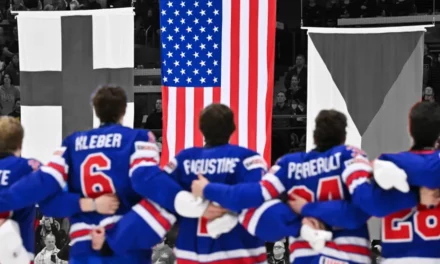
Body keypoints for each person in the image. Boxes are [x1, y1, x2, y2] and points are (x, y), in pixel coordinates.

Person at [90, 103, 336, 263]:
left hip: (194, 257)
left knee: (157, 204)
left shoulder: (184, 161)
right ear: (233, 128)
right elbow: (259, 198)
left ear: (201, 130)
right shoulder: (248, 158)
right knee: (263, 201)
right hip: (242, 257)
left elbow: (155, 200)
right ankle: (305, 229)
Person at [0, 86, 205, 263]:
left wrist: (84, 203)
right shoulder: (138, 138)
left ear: (96, 111)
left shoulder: (73, 143)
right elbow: (148, 181)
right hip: (126, 249)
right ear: (124, 111)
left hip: (84, 246)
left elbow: (45, 184)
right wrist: (184, 198)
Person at [191, 109, 414, 264]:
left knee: (256, 206)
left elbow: (256, 193)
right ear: (343, 136)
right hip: (347, 253)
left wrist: (210, 189)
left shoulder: (289, 164)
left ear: (314, 135)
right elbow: (362, 209)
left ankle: (235, 216)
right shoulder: (350, 156)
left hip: (305, 255)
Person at [0, 116, 118, 264]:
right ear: (19, 144)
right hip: (15, 254)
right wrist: (92, 204)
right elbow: (54, 202)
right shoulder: (27, 167)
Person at [344, 101, 440, 263]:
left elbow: (369, 203)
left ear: (410, 129)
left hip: (396, 257)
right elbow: (428, 170)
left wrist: (359, 168)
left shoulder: (389, 163)